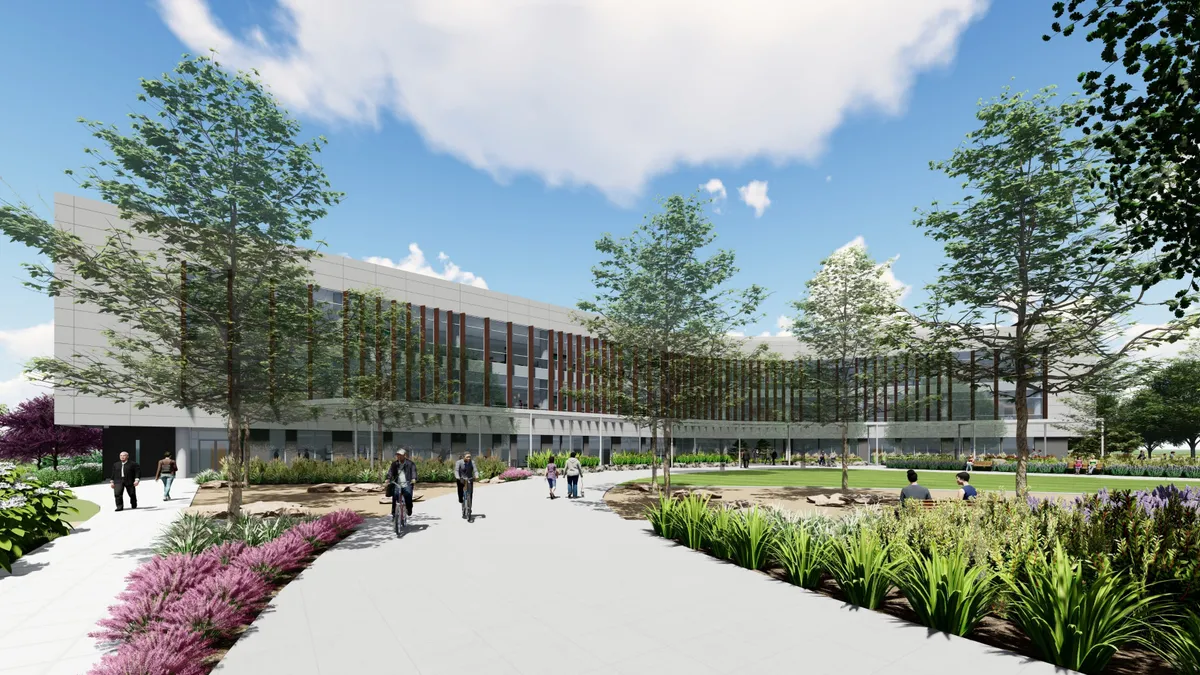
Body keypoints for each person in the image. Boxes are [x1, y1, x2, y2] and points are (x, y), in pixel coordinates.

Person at [387, 449, 417, 517]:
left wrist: (413, 478)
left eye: (400, 455)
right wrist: (388, 479)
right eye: (397, 455)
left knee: (408, 496)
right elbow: (390, 472)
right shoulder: (394, 464)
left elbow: (413, 471)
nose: (398, 457)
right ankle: (394, 513)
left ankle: (409, 508)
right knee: (395, 496)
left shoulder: (410, 464)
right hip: (397, 483)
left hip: (407, 483)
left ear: (404, 455)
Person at [454, 452, 479, 516]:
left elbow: (475, 470)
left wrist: (476, 475)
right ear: (463, 457)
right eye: (467, 457)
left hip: (469, 479)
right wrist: (457, 477)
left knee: (470, 494)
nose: (469, 458)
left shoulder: (472, 462)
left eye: (470, 457)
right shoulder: (459, 462)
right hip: (461, 479)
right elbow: (456, 470)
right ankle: (462, 504)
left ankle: (469, 508)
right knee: (461, 493)